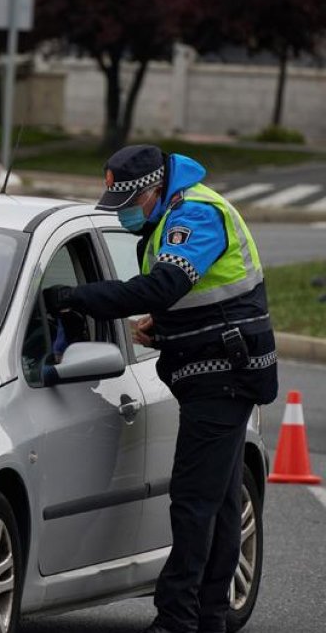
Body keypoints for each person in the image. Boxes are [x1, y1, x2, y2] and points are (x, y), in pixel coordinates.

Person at [41, 144, 277, 633]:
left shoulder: (196, 214)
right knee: (219, 502)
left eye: (129, 204)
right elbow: (198, 299)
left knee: (193, 501)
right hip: (216, 369)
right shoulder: (172, 211)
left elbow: (162, 286)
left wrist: (76, 297)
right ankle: (209, 617)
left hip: (224, 375)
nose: (125, 215)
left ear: (153, 189)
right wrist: (166, 327)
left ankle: (176, 619)